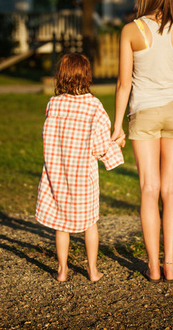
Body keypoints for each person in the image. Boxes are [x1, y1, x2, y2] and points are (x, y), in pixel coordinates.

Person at [111, 0, 173, 283]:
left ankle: (151, 267)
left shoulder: (131, 30)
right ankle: (171, 266)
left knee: (149, 189)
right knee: (170, 190)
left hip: (144, 113)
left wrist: (117, 126)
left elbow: (123, 83)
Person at [36, 53, 125, 282]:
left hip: (57, 173)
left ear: (61, 76)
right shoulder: (93, 106)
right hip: (83, 176)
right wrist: (117, 145)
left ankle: (63, 270)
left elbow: (50, 137)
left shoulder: (53, 104)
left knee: (61, 225)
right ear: (87, 76)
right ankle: (92, 271)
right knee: (90, 224)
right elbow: (99, 147)